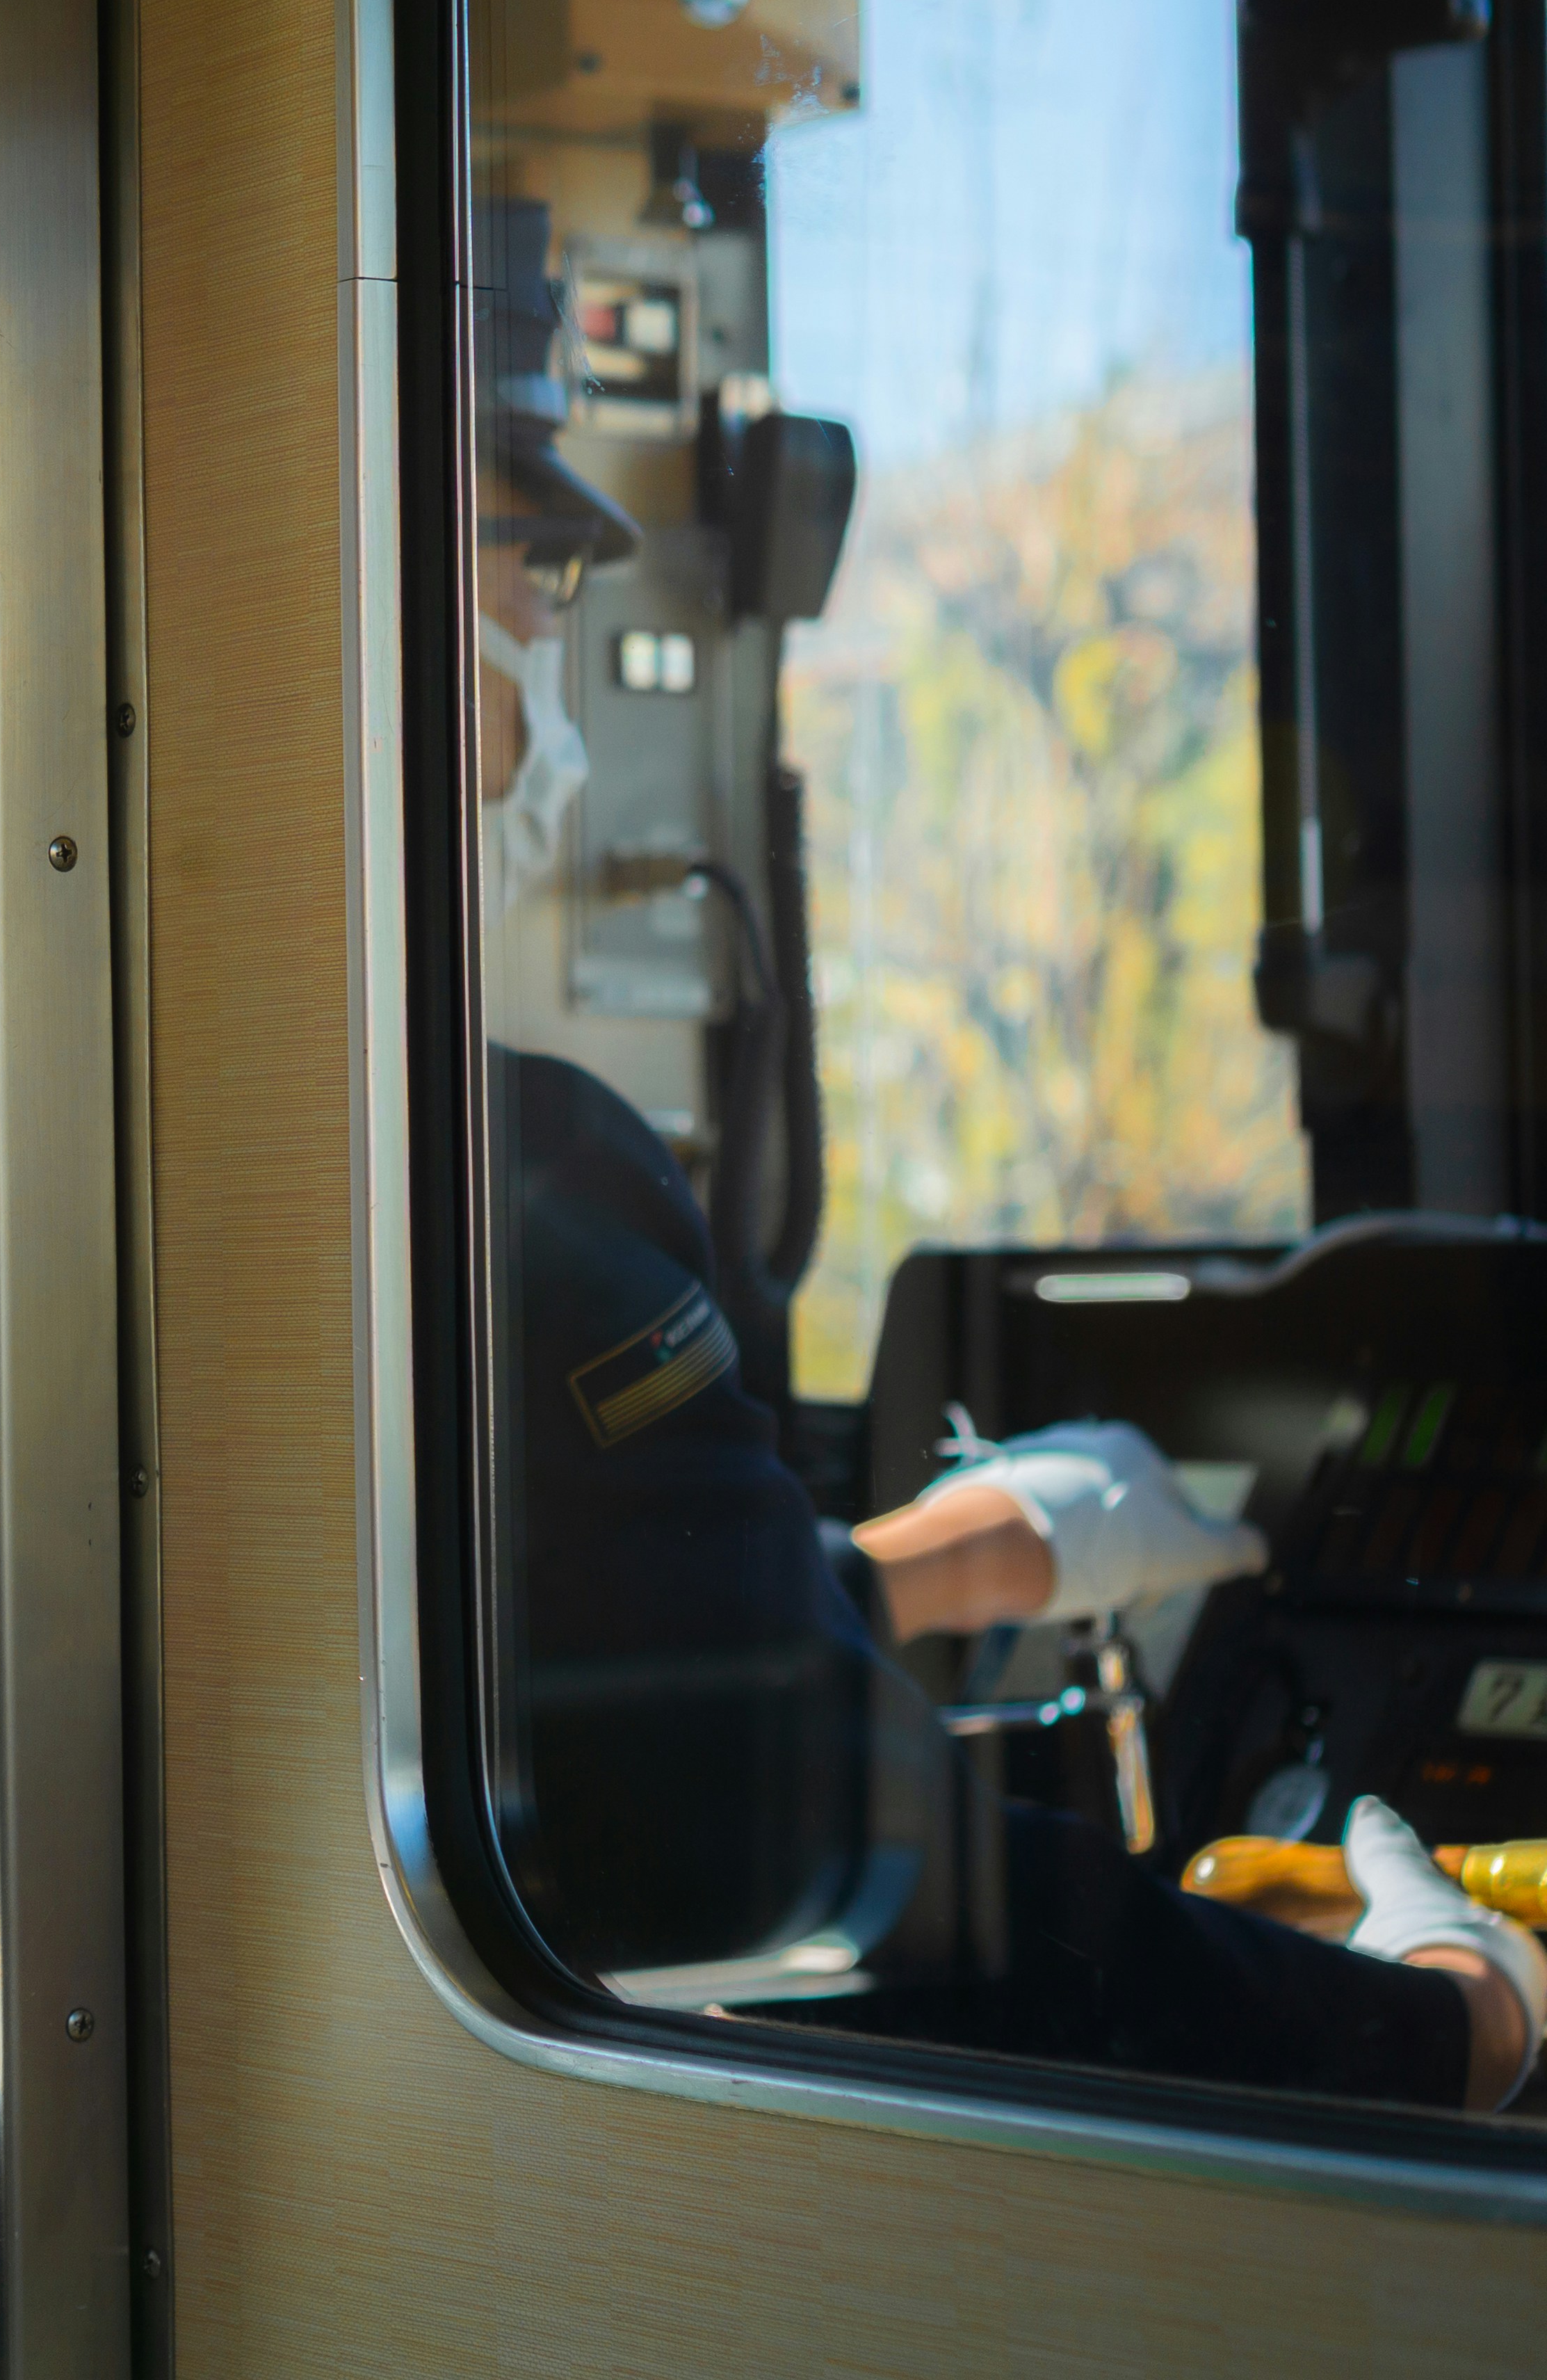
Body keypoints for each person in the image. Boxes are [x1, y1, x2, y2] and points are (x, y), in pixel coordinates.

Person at [471, 527, 1547, 2112]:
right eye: (525, 579)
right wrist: (1453, 2022)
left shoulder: (325, 1175)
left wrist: (965, 1556)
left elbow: (588, 1672)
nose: (551, 655)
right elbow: (829, 1866)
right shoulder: (528, 1188)